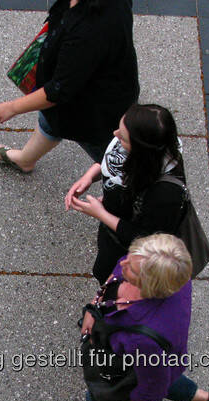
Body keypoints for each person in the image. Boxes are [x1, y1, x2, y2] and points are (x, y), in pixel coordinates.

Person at [51, 233, 209, 401]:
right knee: (165, 376)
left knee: (102, 396)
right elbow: (117, 275)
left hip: (131, 362)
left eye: (131, 269)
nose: (123, 263)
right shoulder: (171, 272)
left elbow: (153, 383)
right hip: (160, 362)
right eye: (130, 255)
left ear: (150, 285)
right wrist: (94, 307)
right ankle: (202, 398)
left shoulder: (143, 339)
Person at [0, 0, 139, 173]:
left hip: (95, 109)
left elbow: (58, 90)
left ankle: (131, 187)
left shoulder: (89, 32)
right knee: (52, 121)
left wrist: (13, 107)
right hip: (106, 88)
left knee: (114, 156)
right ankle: (26, 158)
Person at [65, 103, 189, 284]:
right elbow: (114, 163)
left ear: (141, 149)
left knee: (110, 278)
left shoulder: (166, 194)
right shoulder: (153, 152)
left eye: (123, 138)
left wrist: (100, 213)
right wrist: (90, 175)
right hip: (114, 229)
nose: (115, 135)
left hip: (128, 251)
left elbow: (146, 239)